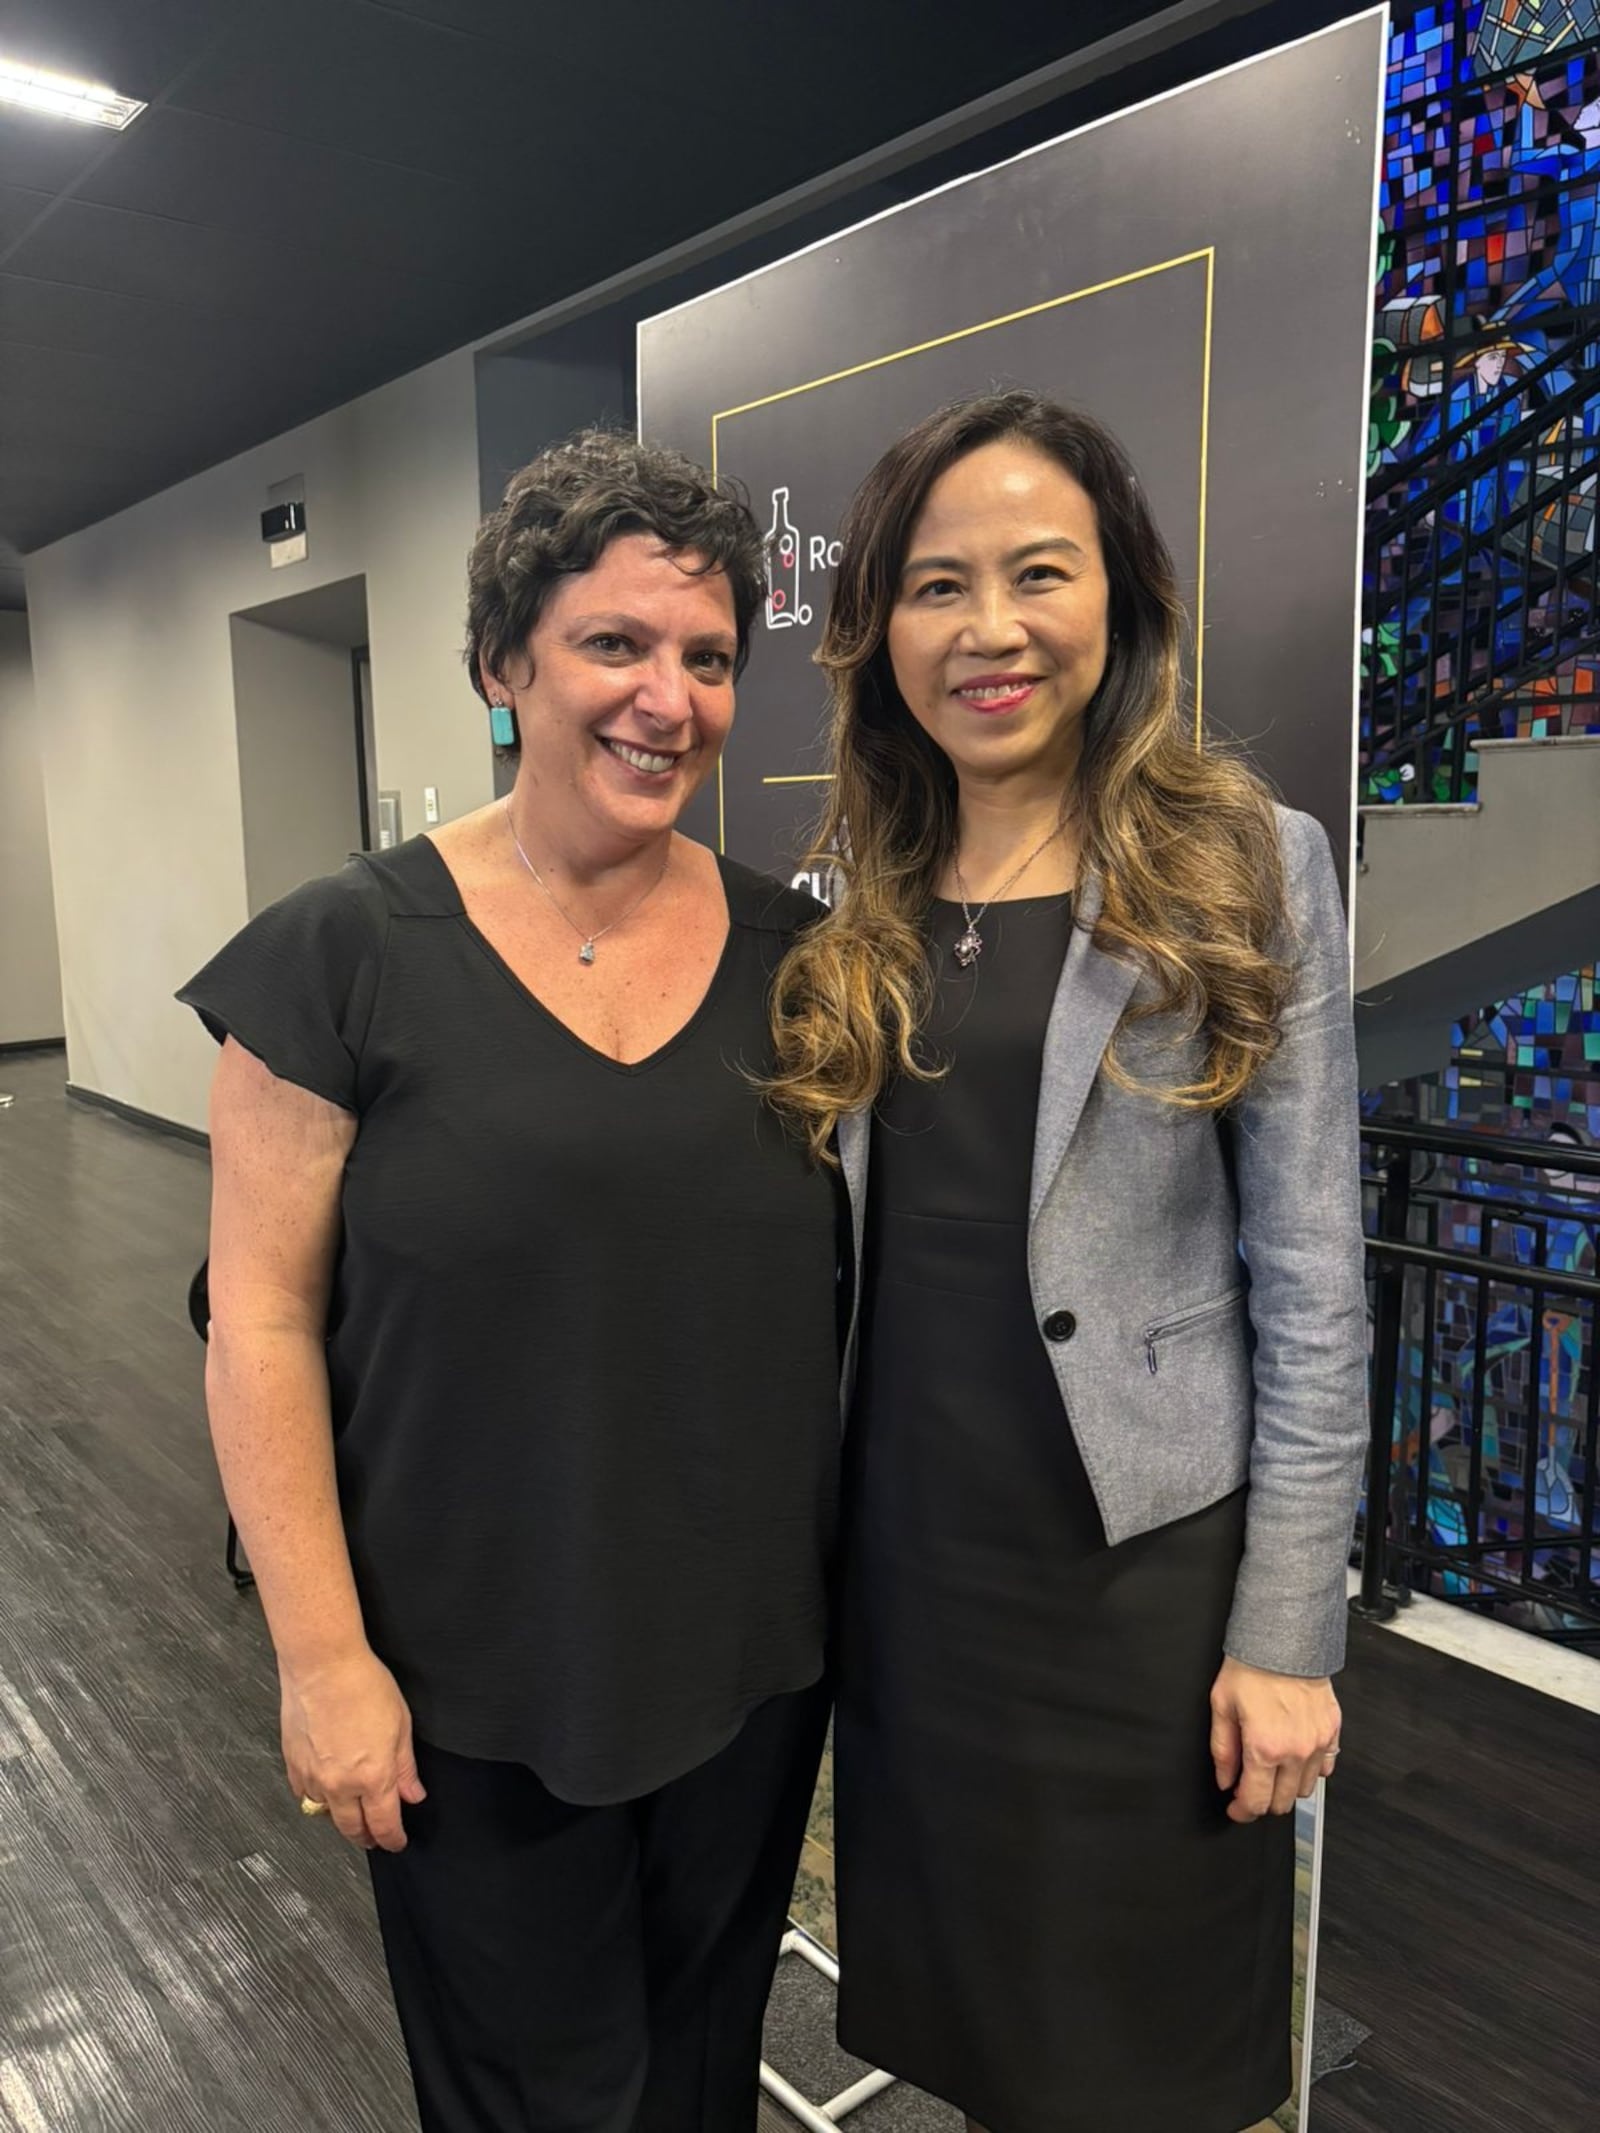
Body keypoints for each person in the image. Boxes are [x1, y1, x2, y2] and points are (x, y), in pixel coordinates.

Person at [179, 430, 842, 2133]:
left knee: (698, 2081)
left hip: (744, 1665)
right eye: (614, 643)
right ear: (502, 663)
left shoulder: (799, 959)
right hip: (468, 1678)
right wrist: (322, 1658)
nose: (668, 699)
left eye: (708, 658)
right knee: (534, 2104)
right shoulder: (343, 956)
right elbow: (257, 1320)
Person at [765, 391, 1368, 2133]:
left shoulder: (1245, 864)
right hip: (914, 1580)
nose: (993, 628)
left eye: (1041, 572)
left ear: (1121, 597)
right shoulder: (855, 894)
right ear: (880, 630)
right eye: (938, 586)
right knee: (978, 2028)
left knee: (1137, 2048)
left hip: (1139, 1588)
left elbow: (1314, 1280)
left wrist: (1291, 1631)